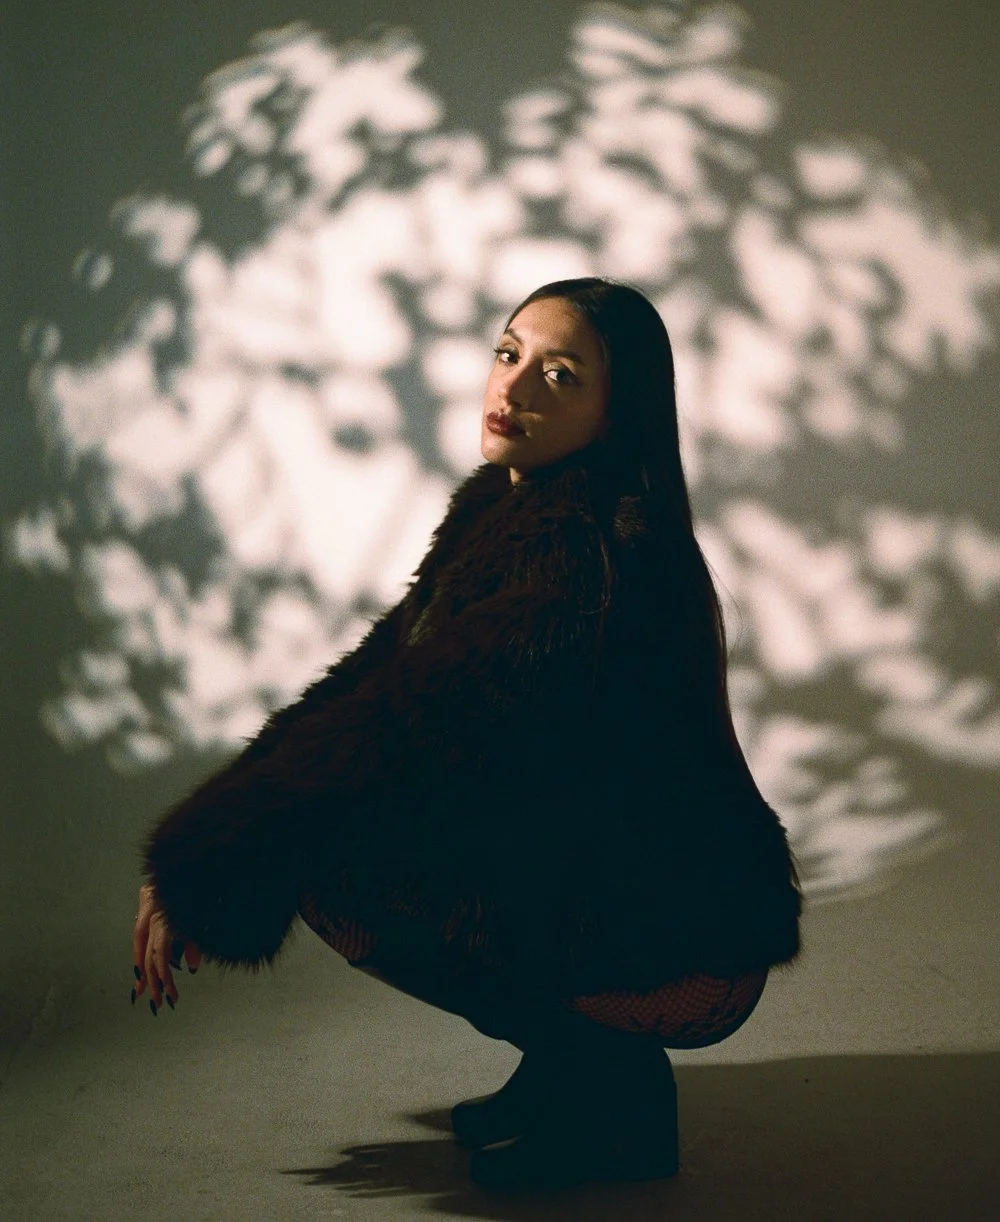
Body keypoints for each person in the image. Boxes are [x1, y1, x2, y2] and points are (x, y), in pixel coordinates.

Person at [131, 278, 801, 1190]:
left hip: (677, 946)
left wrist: (223, 853)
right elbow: (378, 680)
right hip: (631, 893)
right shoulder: (512, 510)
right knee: (339, 828)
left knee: (329, 862)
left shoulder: (585, 552)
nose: (514, 389)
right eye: (507, 353)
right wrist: (222, 831)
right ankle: (568, 1065)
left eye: (559, 376)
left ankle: (617, 1097)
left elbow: (406, 729)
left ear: (616, 414)